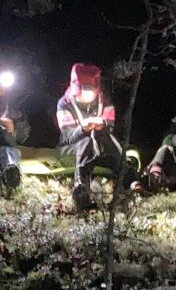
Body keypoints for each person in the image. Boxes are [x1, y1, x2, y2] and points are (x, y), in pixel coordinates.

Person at [56, 63, 137, 211]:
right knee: (87, 141)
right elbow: (68, 137)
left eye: (91, 90)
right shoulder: (64, 104)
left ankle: (130, 181)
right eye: (84, 90)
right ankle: (81, 188)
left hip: (101, 147)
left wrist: (102, 125)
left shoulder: (104, 100)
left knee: (108, 140)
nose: (88, 95)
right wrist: (83, 129)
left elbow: (110, 126)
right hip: (73, 148)